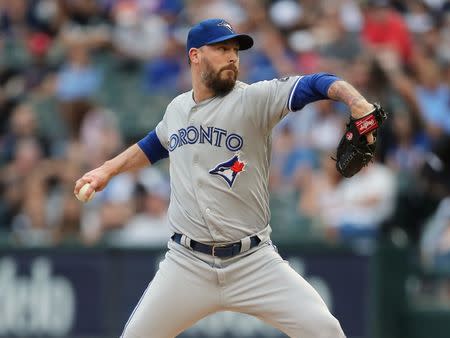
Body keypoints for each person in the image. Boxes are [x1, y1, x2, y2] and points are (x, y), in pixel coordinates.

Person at [74, 18, 379, 338]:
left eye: (235, 50)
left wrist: (354, 100)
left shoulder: (254, 99)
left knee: (326, 331)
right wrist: (108, 169)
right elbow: (154, 144)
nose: (233, 56)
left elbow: (315, 83)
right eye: (222, 49)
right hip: (187, 264)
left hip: (253, 262)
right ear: (194, 55)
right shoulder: (177, 108)